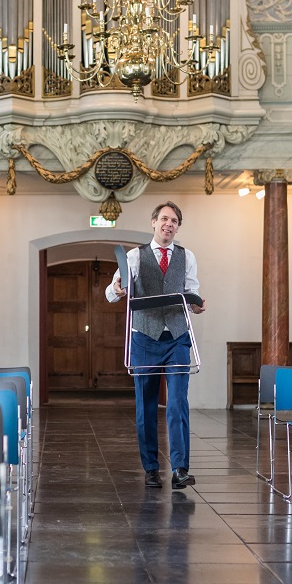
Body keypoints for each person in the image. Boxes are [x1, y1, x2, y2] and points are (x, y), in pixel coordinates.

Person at [105, 200, 206, 488]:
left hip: (176, 337)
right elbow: (111, 294)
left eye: (174, 221)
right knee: (147, 405)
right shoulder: (135, 257)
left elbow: (191, 291)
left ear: (177, 227)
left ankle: (180, 469)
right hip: (145, 338)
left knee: (177, 403)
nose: (168, 224)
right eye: (164, 219)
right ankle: (151, 468)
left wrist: (196, 304)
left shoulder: (187, 257)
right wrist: (117, 288)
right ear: (153, 222)